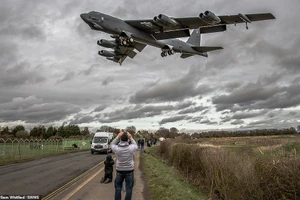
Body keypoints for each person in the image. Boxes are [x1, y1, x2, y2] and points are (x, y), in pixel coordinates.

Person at [111, 131, 138, 200]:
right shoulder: (131, 148)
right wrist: (131, 137)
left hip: (119, 170)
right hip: (129, 170)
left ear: (120, 139)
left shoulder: (117, 148)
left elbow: (112, 144)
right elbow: (135, 145)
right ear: (127, 140)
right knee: (129, 188)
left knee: (118, 187)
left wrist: (118, 136)